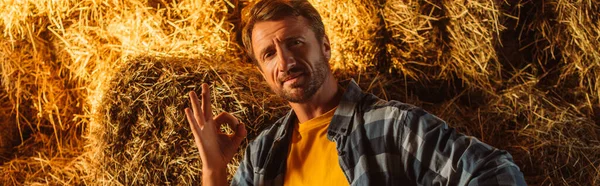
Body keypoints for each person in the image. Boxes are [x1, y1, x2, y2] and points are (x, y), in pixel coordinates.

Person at [184, 0, 527, 185]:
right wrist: (213, 168)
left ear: (325, 47)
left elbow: (496, 174)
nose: (285, 61)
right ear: (262, 72)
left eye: (295, 43)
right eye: (269, 54)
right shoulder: (263, 154)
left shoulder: (391, 126)